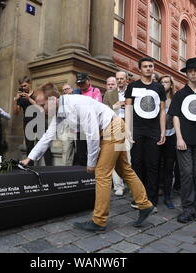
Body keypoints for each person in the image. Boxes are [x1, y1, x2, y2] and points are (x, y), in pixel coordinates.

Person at [19, 89, 154, 232]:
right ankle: (145, 205)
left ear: (53, 99)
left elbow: (92, 135)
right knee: (124, 169)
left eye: (42, 105)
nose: (40, 109)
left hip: (112, 129)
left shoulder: (77, 103)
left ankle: (99, 221)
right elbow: (48, 136)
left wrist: (91, 163)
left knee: (102, 173)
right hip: (111, 128)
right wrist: (29, 158)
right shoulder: (58, 111)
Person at [168, 58, 196, 223]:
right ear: (187, 74)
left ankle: (192, 208)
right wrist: (179, 137)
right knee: (186, 173)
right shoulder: (180, 94)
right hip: (184, 140)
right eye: (190, 71)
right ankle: (186, 208)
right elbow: (176, 117)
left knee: (195, 174)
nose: (193, 73)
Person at [125, 57, 166, 212]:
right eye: (145, 66)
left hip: (154, 130)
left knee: (153, 164)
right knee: (137, 164)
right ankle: (138, 198)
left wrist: (163, 131)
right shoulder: (132, 86)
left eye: (151, 66)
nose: (149, 68)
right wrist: (128, 130)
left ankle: (152, 199)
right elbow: (128, 109)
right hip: (137, 129)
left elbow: (162, 111)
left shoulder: (159, 88)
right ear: (139, 69)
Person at [103, 74, 127, 196]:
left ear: (126, 79)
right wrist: (116, 105)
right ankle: (118, 186)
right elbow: (104, 111)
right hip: (115, 126)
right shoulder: (109, 94)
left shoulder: (132, 91)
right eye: (117, 79)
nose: (119, 81)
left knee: (129, 157)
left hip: (130, 125)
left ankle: (130, 181)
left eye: (121, 78)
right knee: (116, 156)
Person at [73, 72, 102, 166]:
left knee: (91, 150)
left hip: (91, 126)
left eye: (83, 82)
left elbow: (96, 107)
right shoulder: (76, 92)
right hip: (80, 127)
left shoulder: (95, 91)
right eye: (79, 83)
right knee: (80, 152)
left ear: (88, 81)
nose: (81, 85)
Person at [159, 75, 178, 209]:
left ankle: (167, 196)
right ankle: (152, 194)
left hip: (171, 135)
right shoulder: (156, 99)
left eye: (167, 82)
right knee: (155, 165)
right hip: (157, 136)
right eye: (162, 82)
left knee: (168, 166)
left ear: (171, 85)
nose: (164, 84)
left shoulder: (175, 100)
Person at [14, 76, 38, 162]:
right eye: (22, 86)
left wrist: (29, 98)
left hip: (39, 121)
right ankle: (30, 166)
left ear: (29, 84)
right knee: (29, 146)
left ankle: (48, 167)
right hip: (27, 122)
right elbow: (16, 113)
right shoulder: (20, 97)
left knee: (44, 145)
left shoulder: (36, 93)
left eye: (25, 85)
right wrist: (16, 100)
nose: (23, 88)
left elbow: (39, 107)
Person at [60, 84, 75, 166]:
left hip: (78, 128)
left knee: (79, 151)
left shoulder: (78, 98)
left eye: (67, 89)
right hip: (67, 128)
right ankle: (65, 170)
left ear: (72, 89)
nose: (65, 91)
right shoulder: (61, 101)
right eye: (64, 90)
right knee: (66, 150)